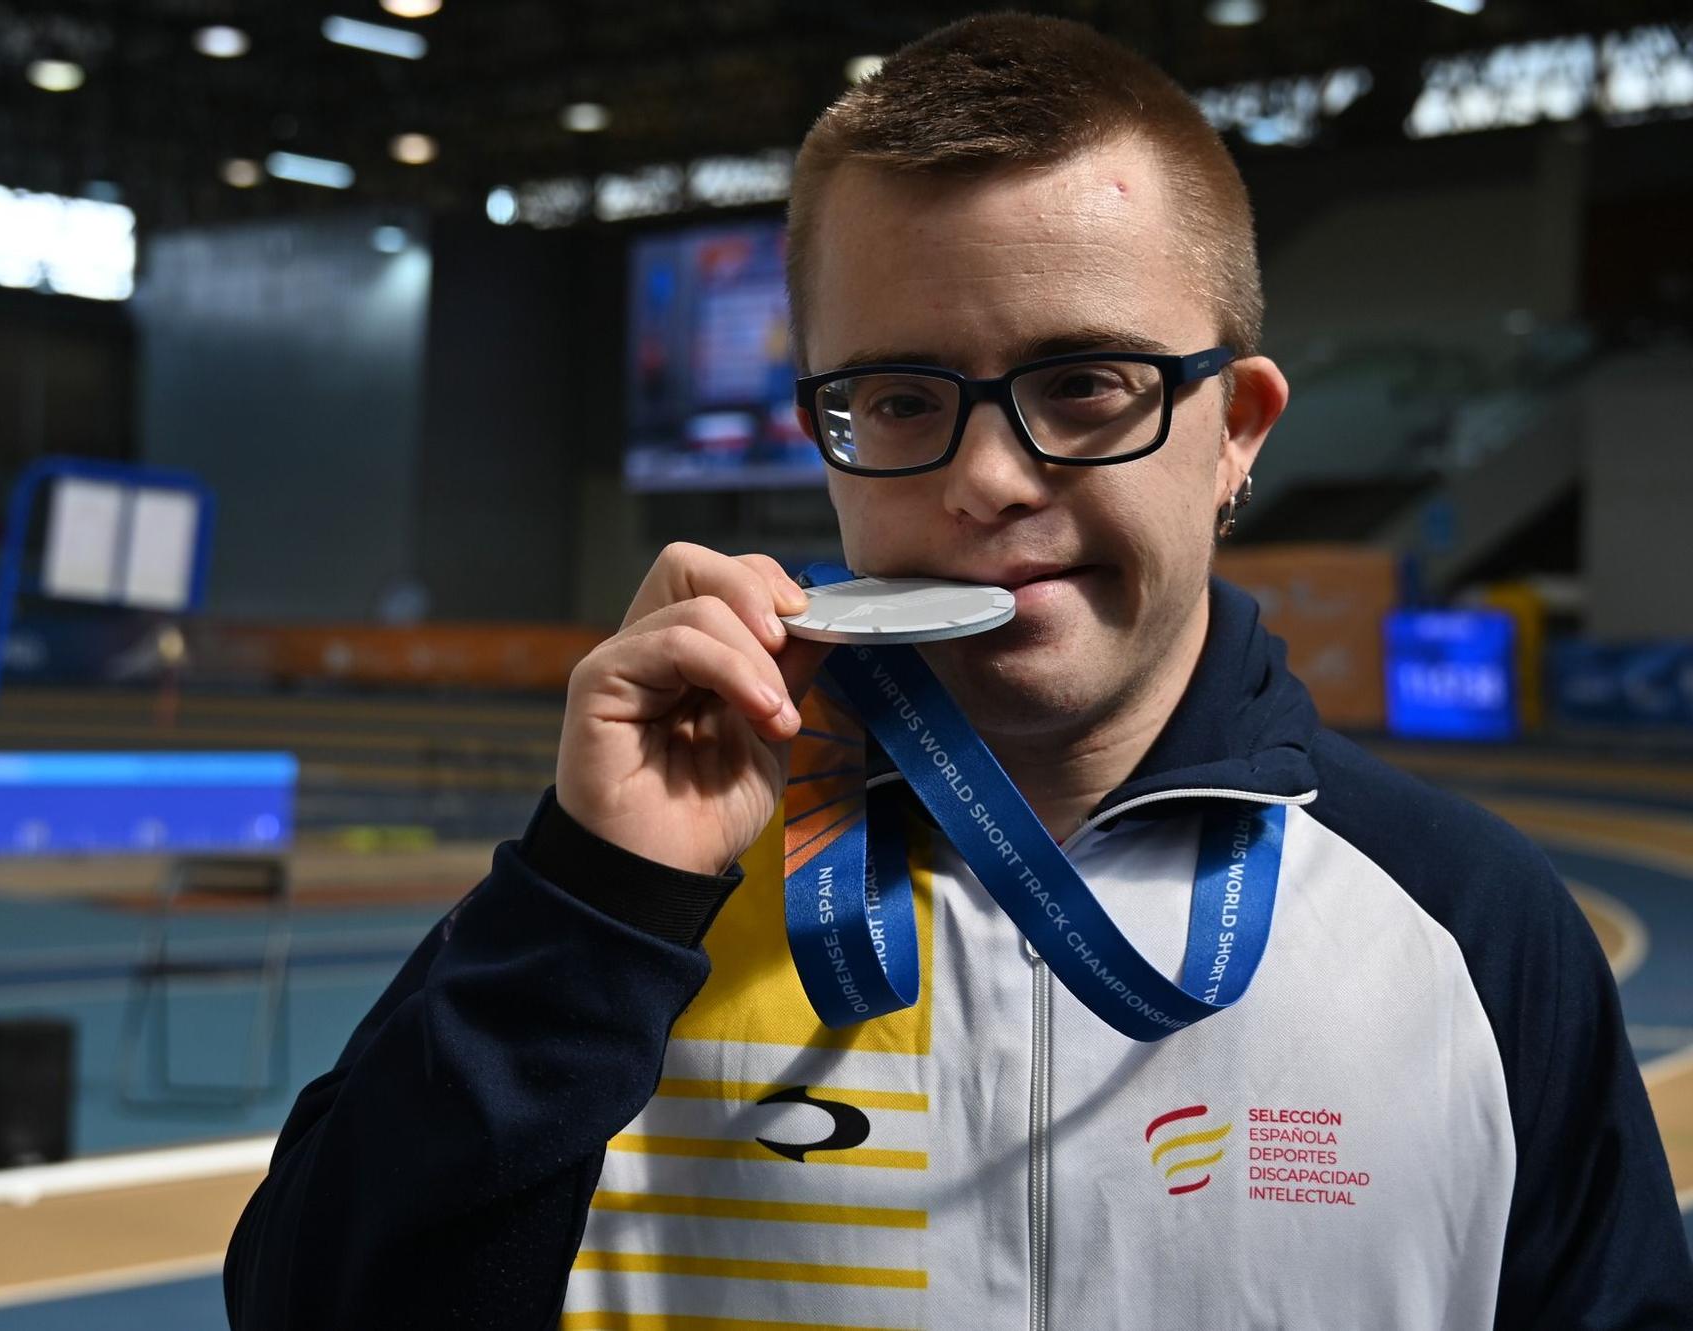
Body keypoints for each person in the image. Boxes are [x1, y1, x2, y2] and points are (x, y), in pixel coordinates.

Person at [226, 15, 1693, 1329]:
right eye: (903, 397)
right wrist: (592, 905)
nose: (990, 478)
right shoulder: (635, 903)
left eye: (1083, 385)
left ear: (1239, 425)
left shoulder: (1474, 929)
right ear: (822, 428)